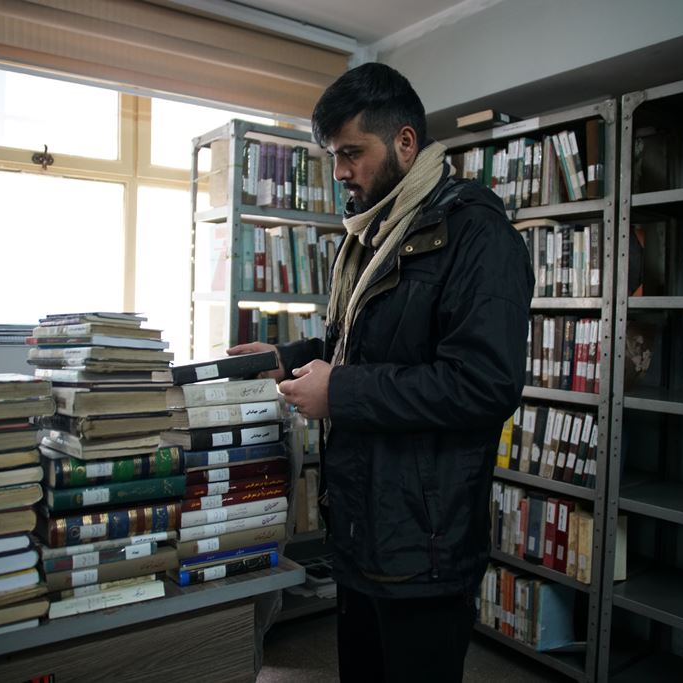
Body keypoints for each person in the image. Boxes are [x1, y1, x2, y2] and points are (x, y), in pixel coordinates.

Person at [228, 62, 533, 682]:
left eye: (350, 153)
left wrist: (338, 391)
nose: (339, 171)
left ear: (404, 143)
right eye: (332, 156)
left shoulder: (477, 235)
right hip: (364, 527)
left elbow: (483, 383)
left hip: (424, 542)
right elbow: (363, 342)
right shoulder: (376, 232)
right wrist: (283, 358)